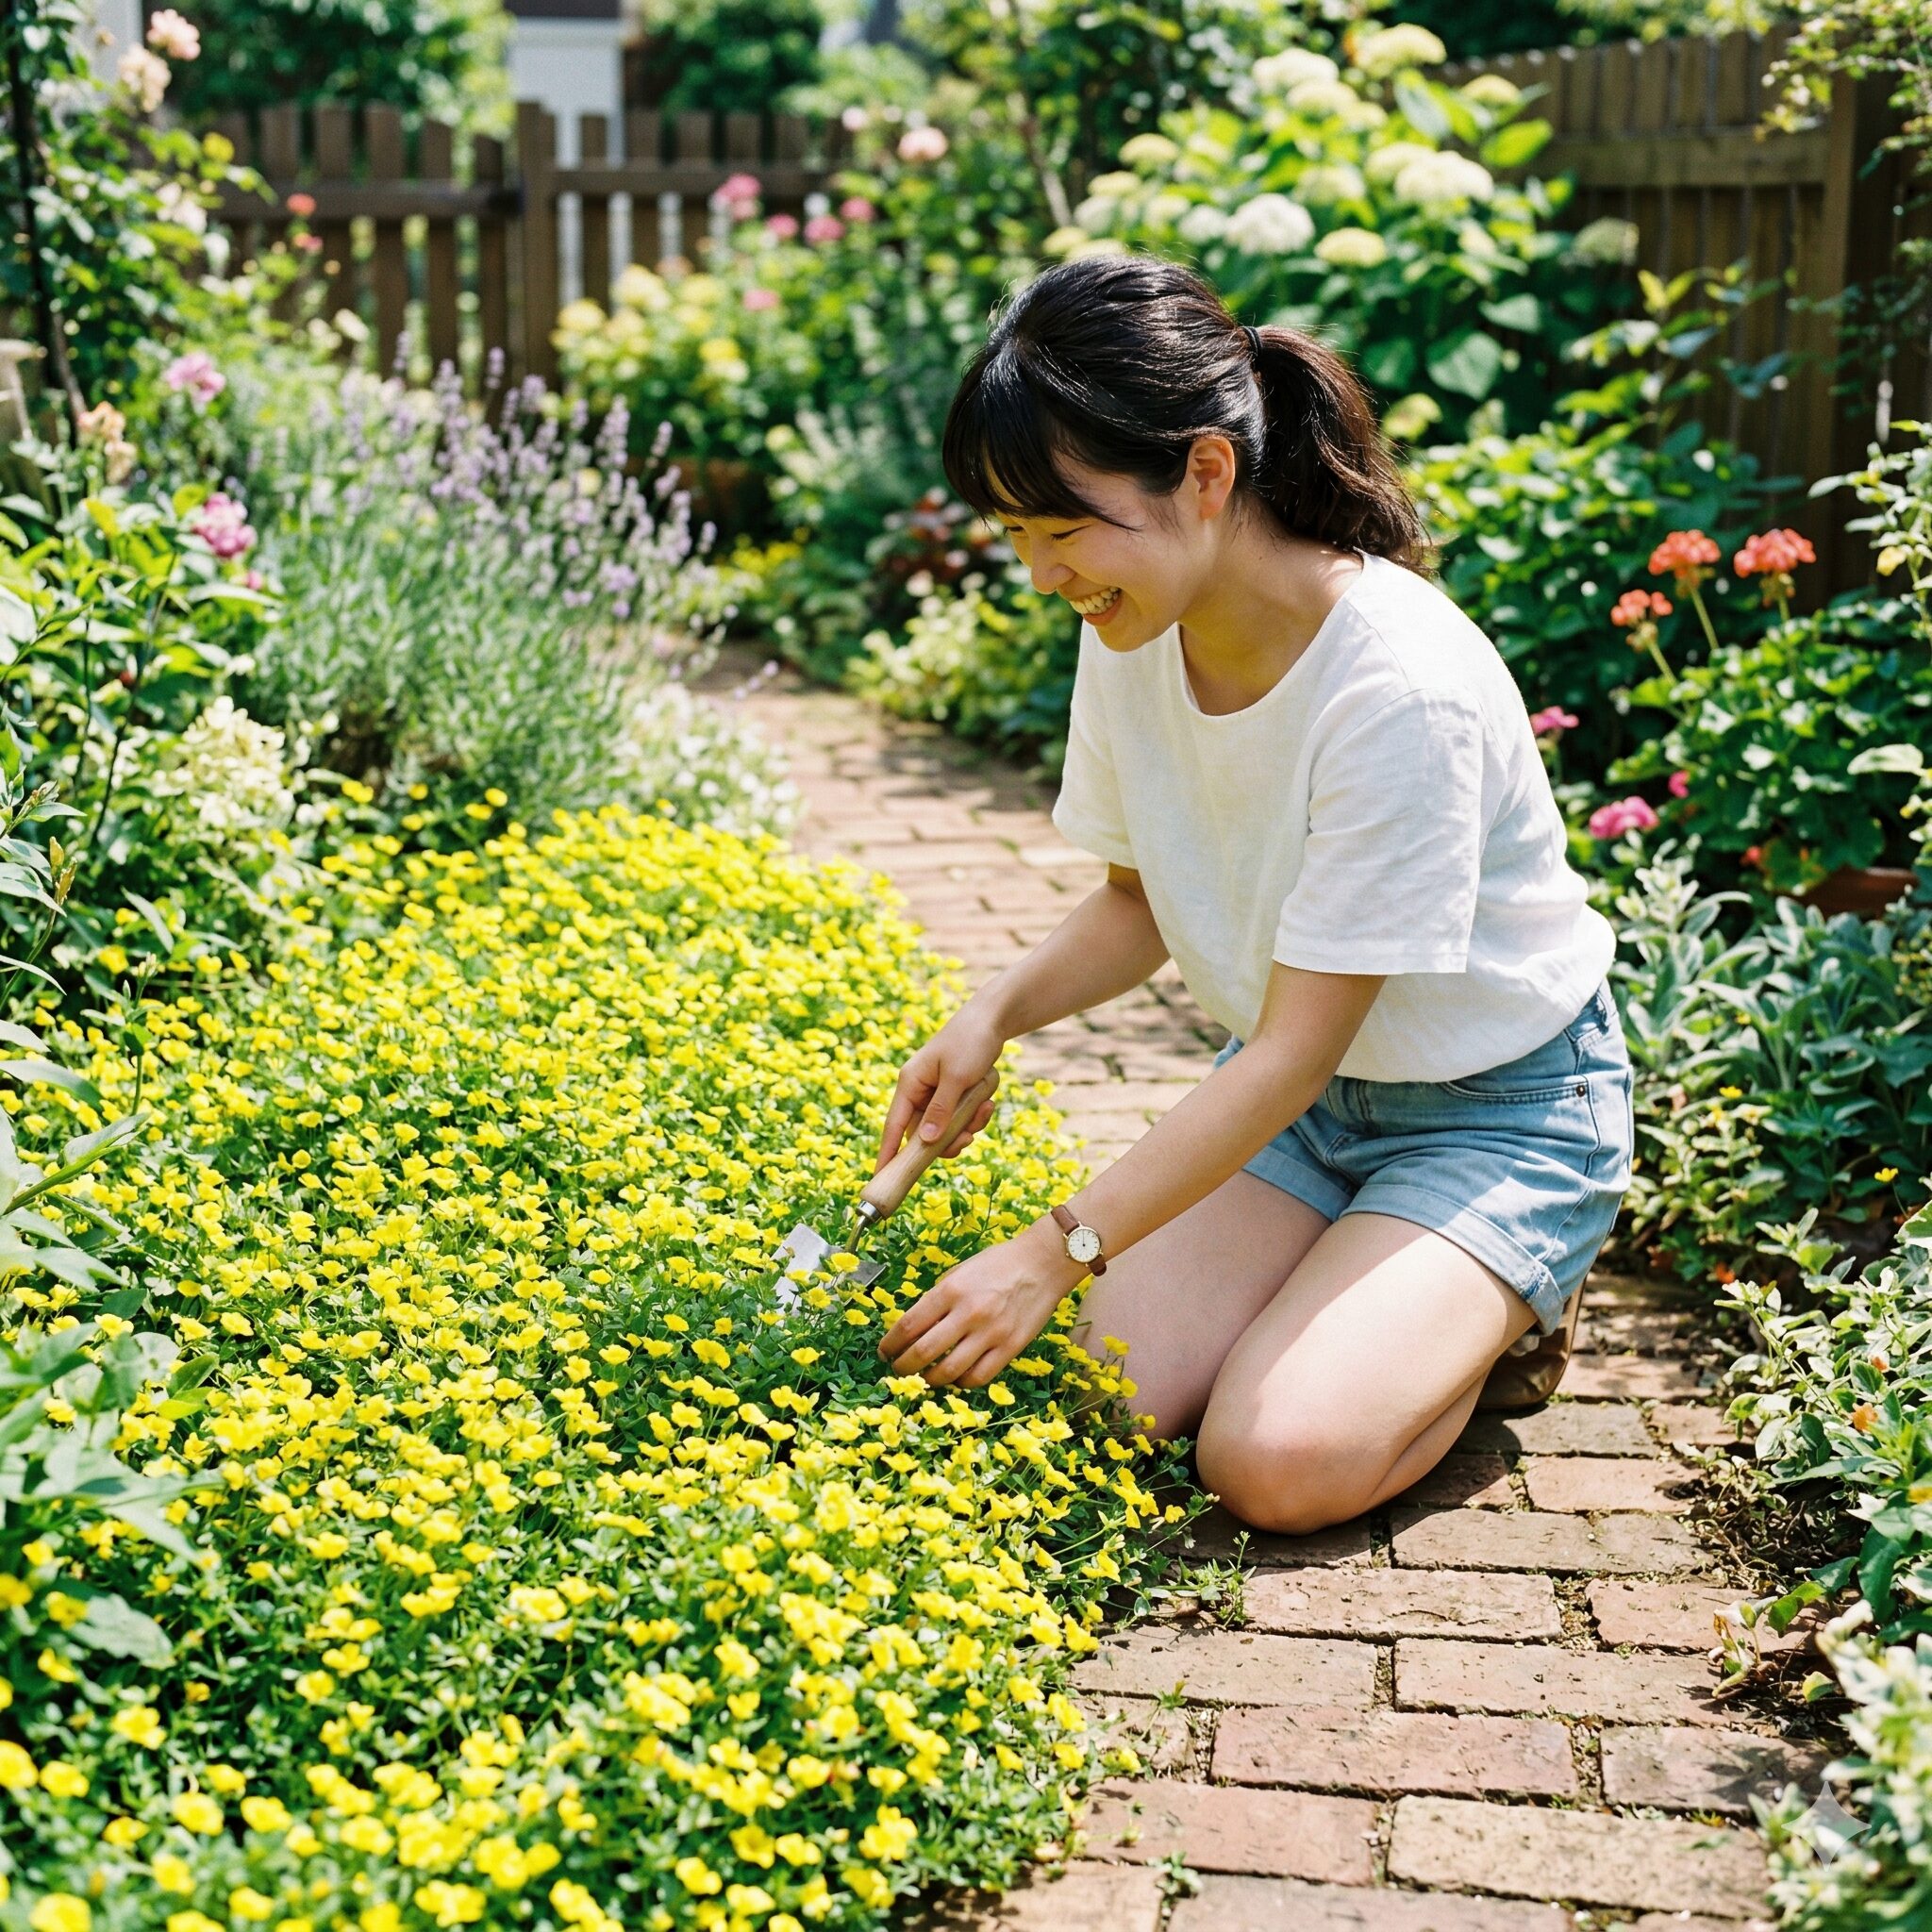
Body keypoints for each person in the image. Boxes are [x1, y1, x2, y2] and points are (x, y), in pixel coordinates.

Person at [872, 253, 1631, 1536]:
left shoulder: (1399, 686)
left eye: (1063, 528)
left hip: (1496, 1116)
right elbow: (1139, 899)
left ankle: (1512, 1310)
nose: (1043, 572)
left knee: (1271, 1461)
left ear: (1206, 473)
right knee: (1091, 1399)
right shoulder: (1130, 623)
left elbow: (1285, 1050)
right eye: (1017, 536)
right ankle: (1359, 1290)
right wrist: (993, 1012)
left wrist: (1052, 1251)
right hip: (1307, 1109)